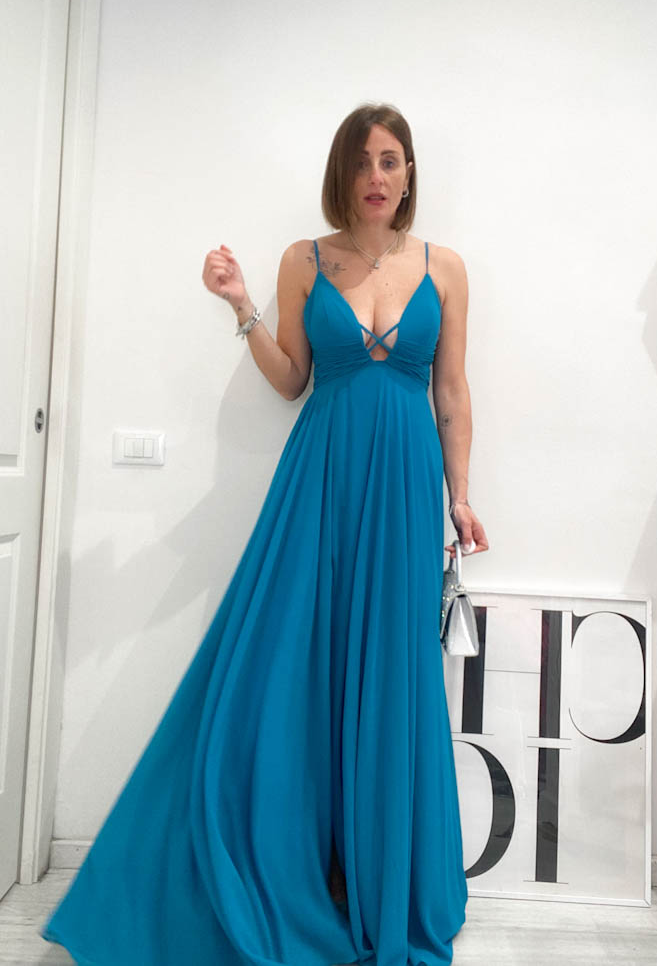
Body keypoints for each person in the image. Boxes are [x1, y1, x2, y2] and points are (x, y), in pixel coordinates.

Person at [40, 101, 488, 966]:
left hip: (405, 489)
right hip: (317, 486)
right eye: (361, 161)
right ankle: (279, 868)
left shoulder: (446, 267)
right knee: (286, 663)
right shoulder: (302, 259)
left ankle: (378, 877)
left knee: (389, 670)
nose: (375, 177)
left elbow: (452, 392)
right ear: (340, 173)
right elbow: (291, 380)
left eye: (390, 160)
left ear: (408, 173)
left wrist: (461, 496)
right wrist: (241, 305)